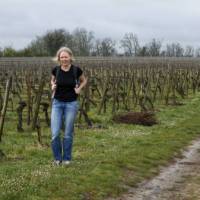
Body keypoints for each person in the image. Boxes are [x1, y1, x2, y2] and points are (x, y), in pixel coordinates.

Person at [51, 47, 87, 166]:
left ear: (70, 57)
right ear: (59, 58)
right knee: (55, 132)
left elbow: (84, 81)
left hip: (71, 103)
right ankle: (57, 158)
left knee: (67, 133)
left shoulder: (76, 70)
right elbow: (52, 81)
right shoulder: (56, 70)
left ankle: (66, 159)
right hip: (57, 103)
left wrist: (79, 89)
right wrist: (52, 86)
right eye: (62, 57)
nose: (64, 59)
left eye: (66, 57)